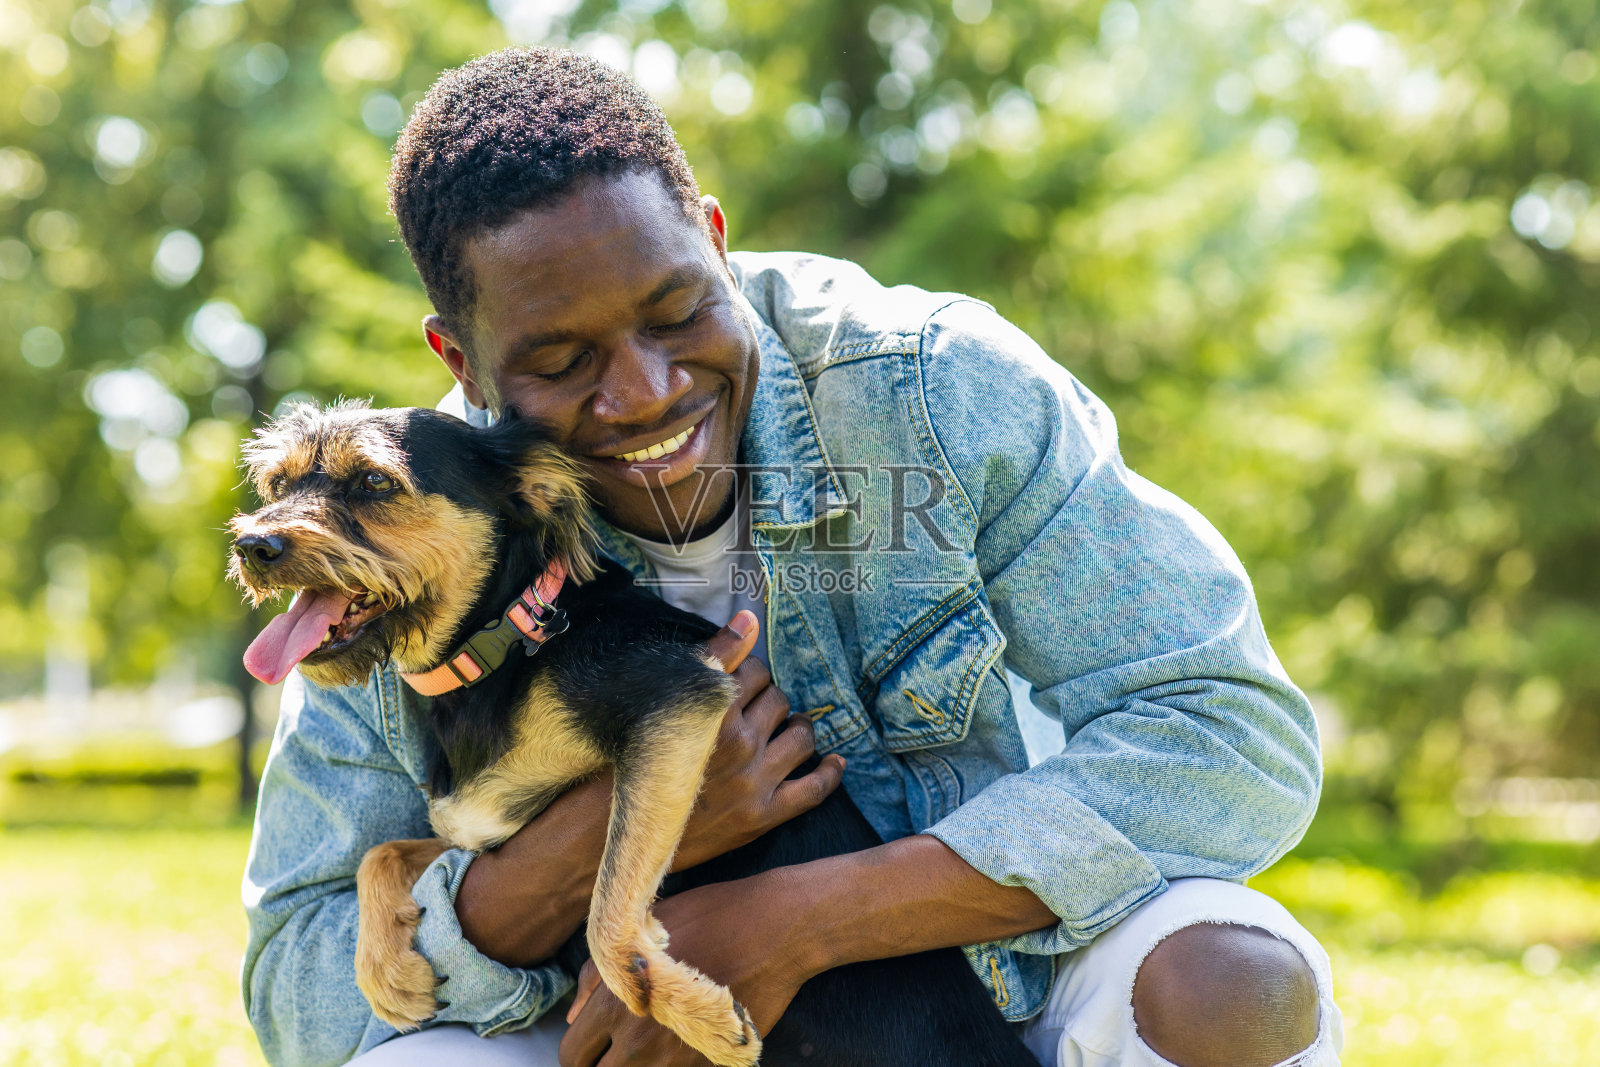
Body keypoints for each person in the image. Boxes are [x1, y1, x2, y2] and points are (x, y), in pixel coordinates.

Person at [241, 46, 1343, 1067]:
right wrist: (579, 857)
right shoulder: (408, 521)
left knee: (1230, 982)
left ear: (715, 237)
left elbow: (1230, 738)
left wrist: (796, 919)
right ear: (462, 359)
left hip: (989, 985)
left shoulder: (933, 386)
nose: (646, 393)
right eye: (564, 359)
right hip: (610, 1028)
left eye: (677, 312)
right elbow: (296, 975)